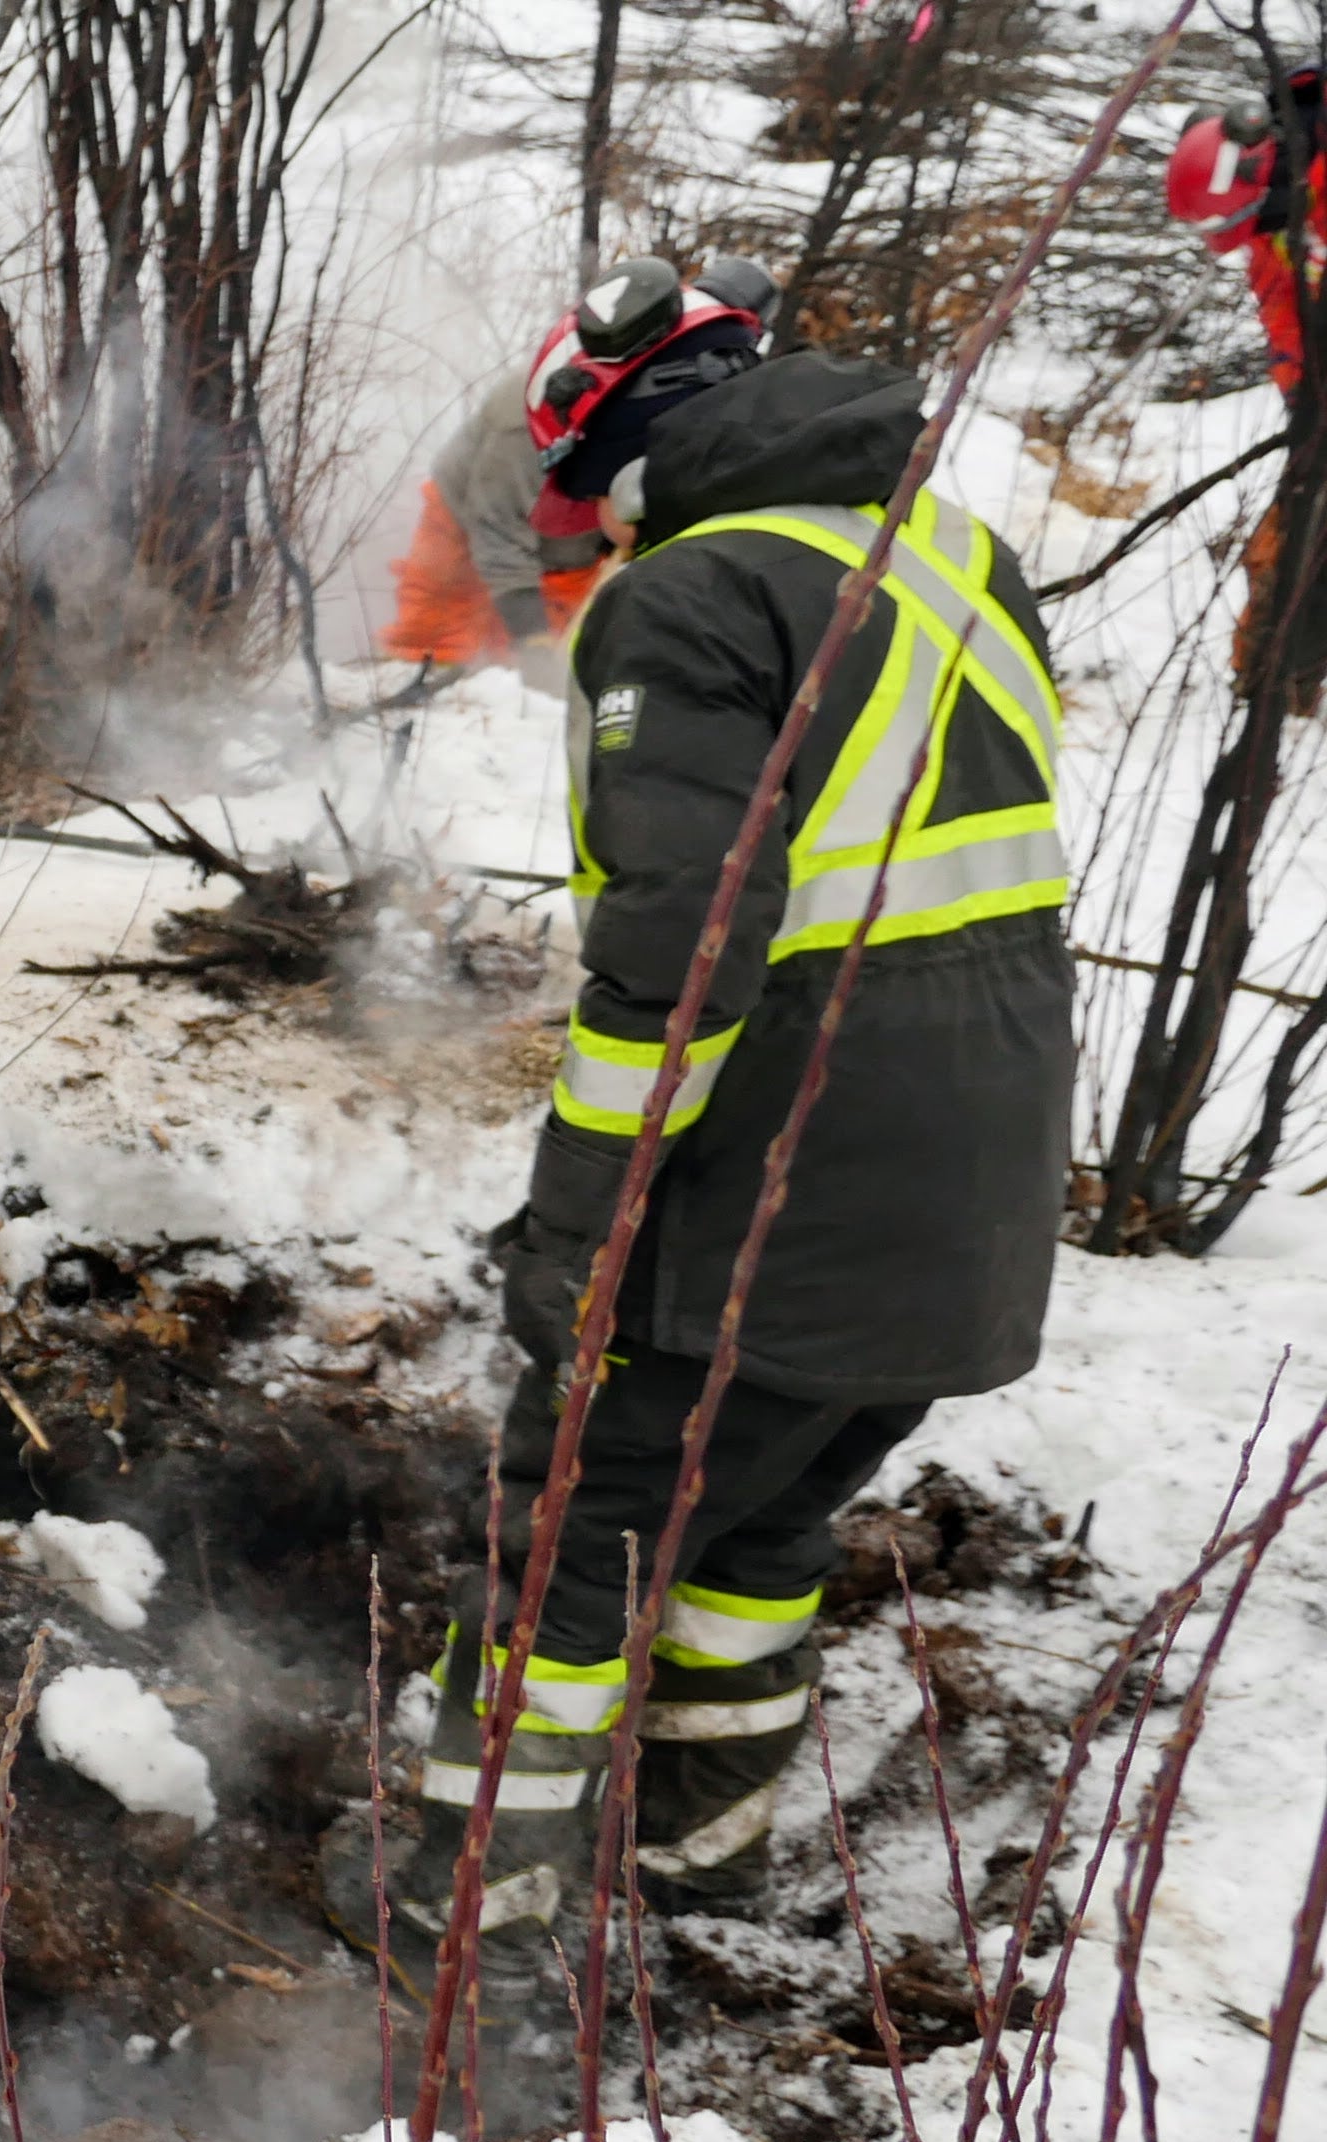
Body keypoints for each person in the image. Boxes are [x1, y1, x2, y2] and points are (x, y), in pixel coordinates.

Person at [341, 350, 1074, 2017]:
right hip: (970, 1175)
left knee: (570, 1533)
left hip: (785, 1172)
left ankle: (469, 1920)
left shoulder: (685, 596)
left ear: (620, 457)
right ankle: (693, 1858)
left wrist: (578, 1221)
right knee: (753, 1518)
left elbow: (677, 959)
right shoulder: (941, 549)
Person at [379, 255, 774, 695]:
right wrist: (531, 636)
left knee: (545, 675)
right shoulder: (527, 420)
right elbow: (496, 530)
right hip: (470, 528)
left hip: (575, 551)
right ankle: (415, 708)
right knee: (438, 637)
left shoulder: (684, 392)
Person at [1165, 79, 1327, 703]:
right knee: (1290, 548)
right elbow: (1284, 316)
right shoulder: (1274, 229)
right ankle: (1274, 687)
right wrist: (1302, 395)